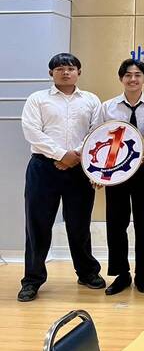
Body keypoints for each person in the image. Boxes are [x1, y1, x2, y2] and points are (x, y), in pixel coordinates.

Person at [18, 53, 105, 302]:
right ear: (51, 73)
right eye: (59, 69)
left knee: (79, 224)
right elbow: (32, 131)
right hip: (43, 168)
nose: (65, 72)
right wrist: (61, 154)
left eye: (70, 68)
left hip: (79, 168)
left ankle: (87, 273)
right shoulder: (37, 99)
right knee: (37, 225)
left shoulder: (91, 100)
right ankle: (32, 280)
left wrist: (75, 155)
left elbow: (96, 132)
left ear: (79, 72)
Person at [95, 58, 144, 296]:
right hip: (116, 172)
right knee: (116, 224)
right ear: (121, 78)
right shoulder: (107, 107)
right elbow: (98, 138)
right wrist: (99, 172)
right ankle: (121, 274)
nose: (132, 79)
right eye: (128, 75)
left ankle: (143, 274)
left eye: (137, 75)